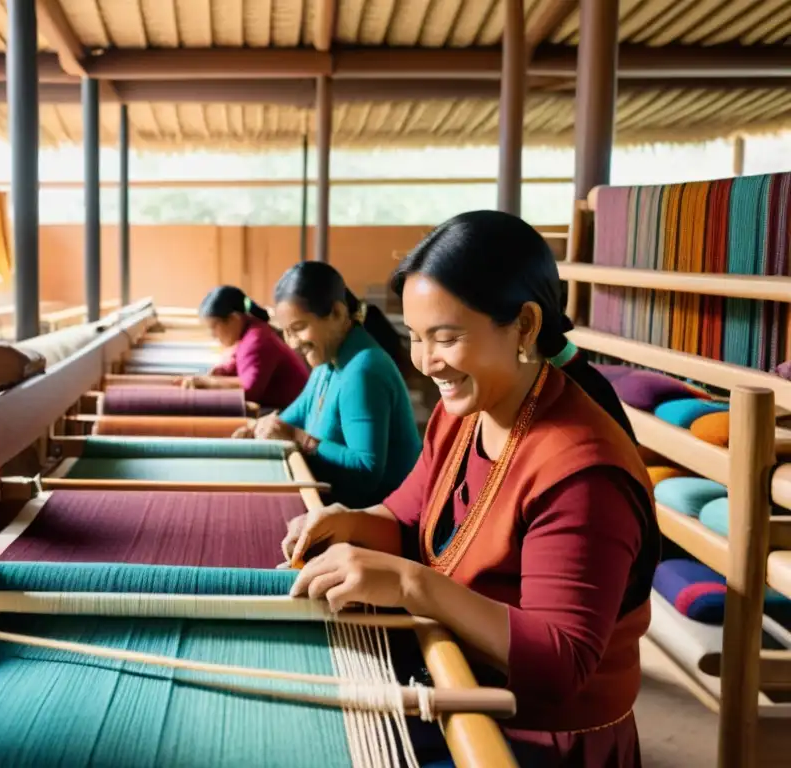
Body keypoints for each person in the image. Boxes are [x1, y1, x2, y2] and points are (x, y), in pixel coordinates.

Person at [283, 211, 661, 768]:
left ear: (526, 327)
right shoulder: (464, 414)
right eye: (415, 337)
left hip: (535, 739)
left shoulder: (584, 475)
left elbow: (560, 662)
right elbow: (407, 518)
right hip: (459, 687)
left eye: (447, 338)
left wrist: (415, 584)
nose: (425, 360)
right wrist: (347, 521)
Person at [239, 262, 421, 509]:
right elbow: (291, 418)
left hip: (380, 521)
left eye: (299, 328)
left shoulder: (363, 370)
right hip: (340, 508)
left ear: (336, 313)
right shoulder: (327, 364)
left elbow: (367, 470)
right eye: (286, 332)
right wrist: (256, 429)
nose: (292, 343)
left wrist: (297, 437)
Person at [182, 286, 309, 411]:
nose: (213, 335)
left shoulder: (257, 339)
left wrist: (210, 383)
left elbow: (249, 391)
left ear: (233, 319)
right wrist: (221, 372)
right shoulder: (250, 333)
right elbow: (240, 363)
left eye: (214, 327)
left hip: (295, 414)